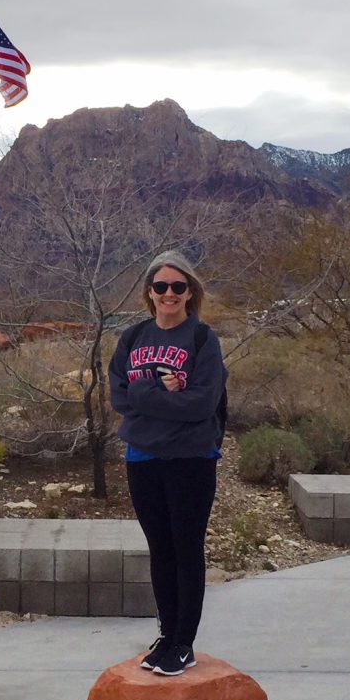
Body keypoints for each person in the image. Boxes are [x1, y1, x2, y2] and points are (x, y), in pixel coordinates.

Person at [108, 251, 227, 676]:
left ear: (191, 291)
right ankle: (166, 633)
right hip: (142, 457)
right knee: (159, 548)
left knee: (186, 547)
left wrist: (148, 396)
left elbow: (201, 403)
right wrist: (164, 392)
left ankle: (184, 642)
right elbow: (120, 397)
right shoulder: (133, 337)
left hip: (190, 458)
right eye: (161, 286)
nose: (170, 293)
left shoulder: (202, 339)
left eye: (179, 286)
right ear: (150, 292)